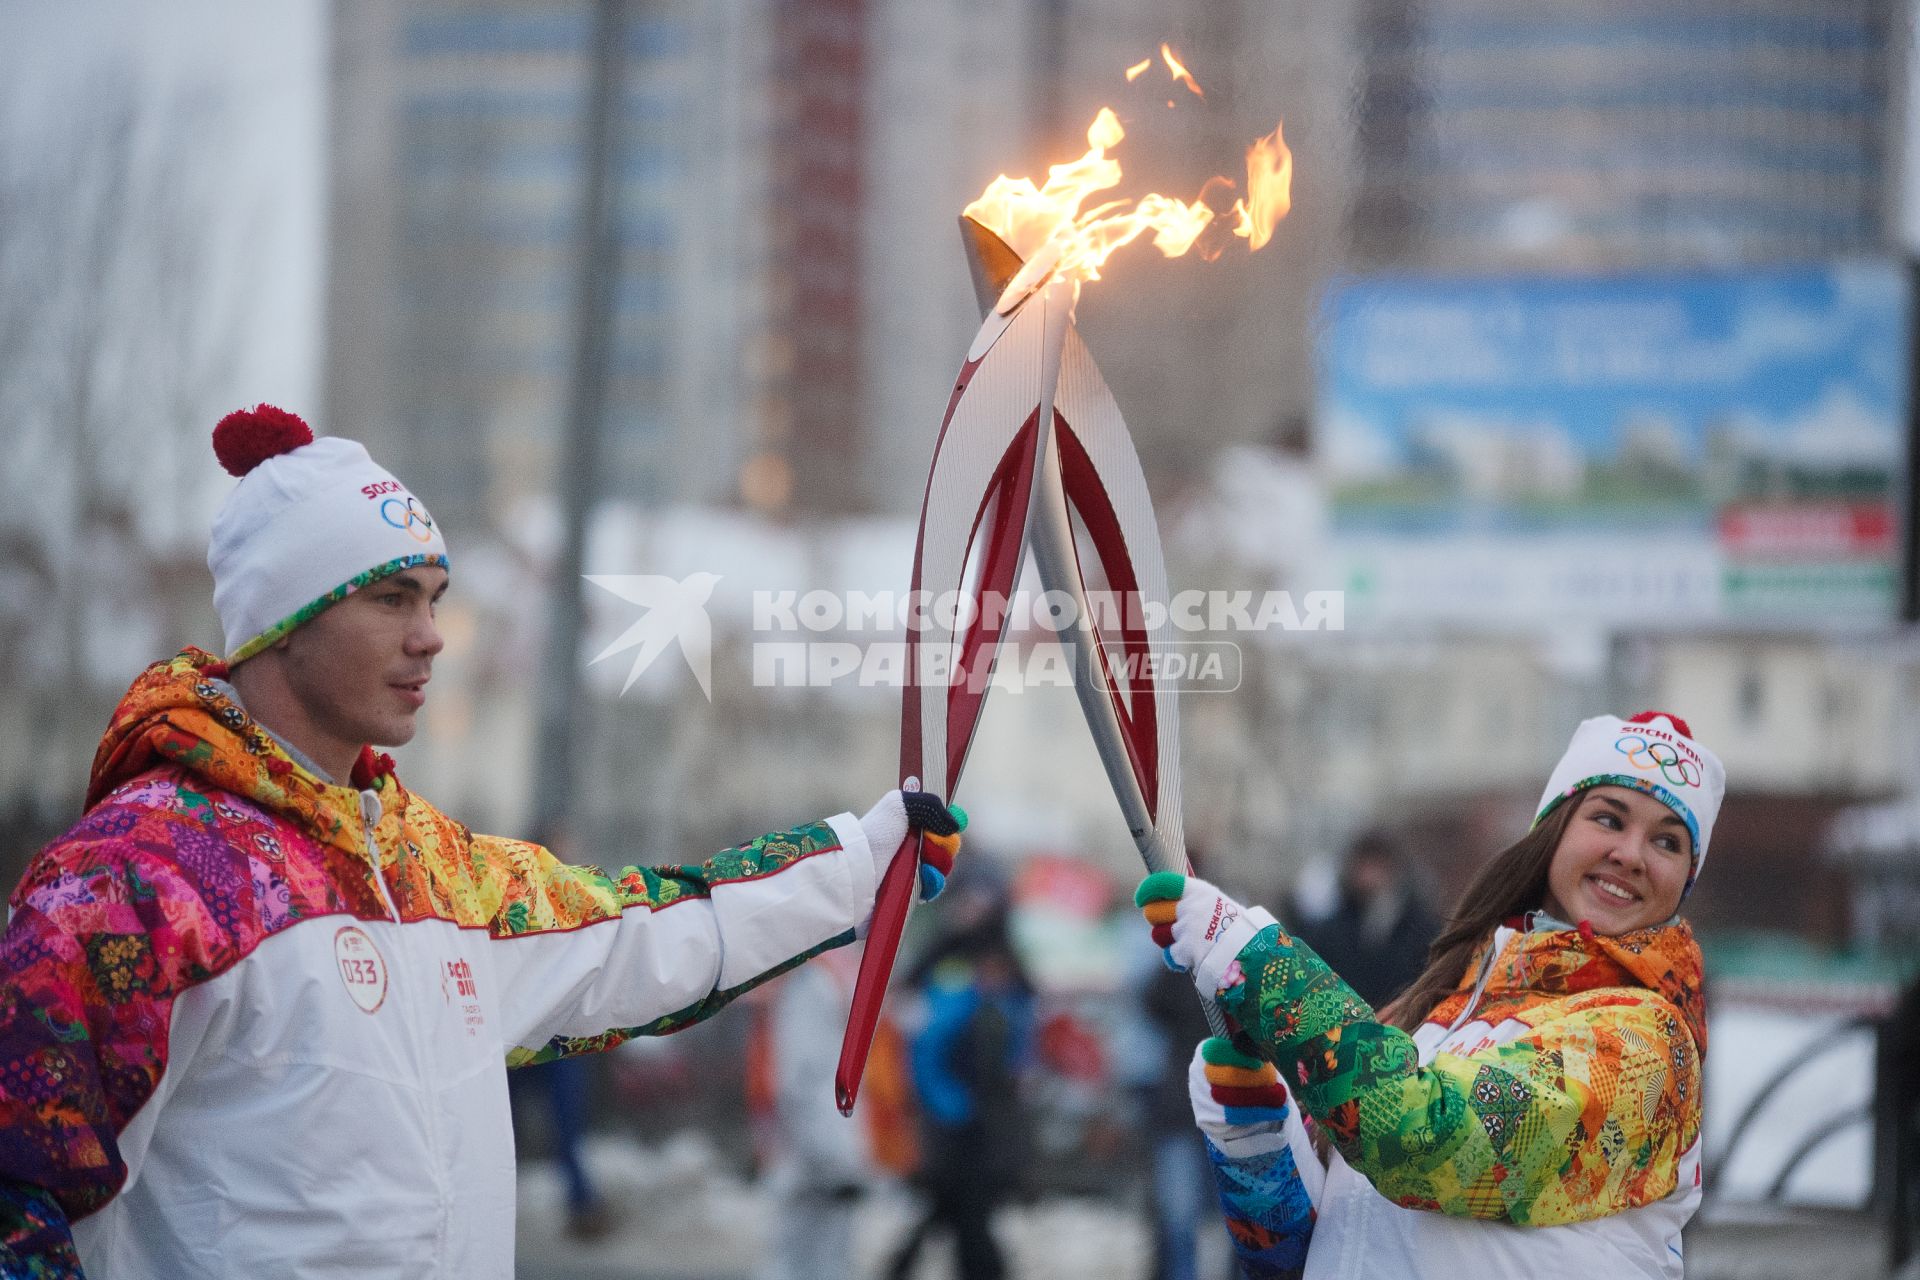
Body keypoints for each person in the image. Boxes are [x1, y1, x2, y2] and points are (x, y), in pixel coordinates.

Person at [0, 405, 966, 1279]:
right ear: (281, 623)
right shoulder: (130, 883)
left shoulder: (428, 868)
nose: (432, 636)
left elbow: (640, 934)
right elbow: (20, 1198)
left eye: (434, 596)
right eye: (390, 599)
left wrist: (861, 861)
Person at [1137, 711, 1724, 1278]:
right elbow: (1305, 1262)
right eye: (1609, 819)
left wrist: (1256, 958)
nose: (1631, 855)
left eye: (1668, 843)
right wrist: (1259, 1143)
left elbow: (1427, 1144)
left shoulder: (1645, 1046)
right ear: (1555, 828)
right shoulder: (1435, 1013)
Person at [886, 887, 1034, 1280]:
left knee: (960, 1214)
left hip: (981, 1124)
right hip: (959, 1126)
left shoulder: (1001, 994)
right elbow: (929, 1052)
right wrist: (951, 1105)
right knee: (961, 1214)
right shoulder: (954, 987)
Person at [1289, 827, 1439, 1009]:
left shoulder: (1422, 932)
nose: (1370, 876)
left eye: (1378, 866)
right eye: (1364, 865)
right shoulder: (1326, 934)